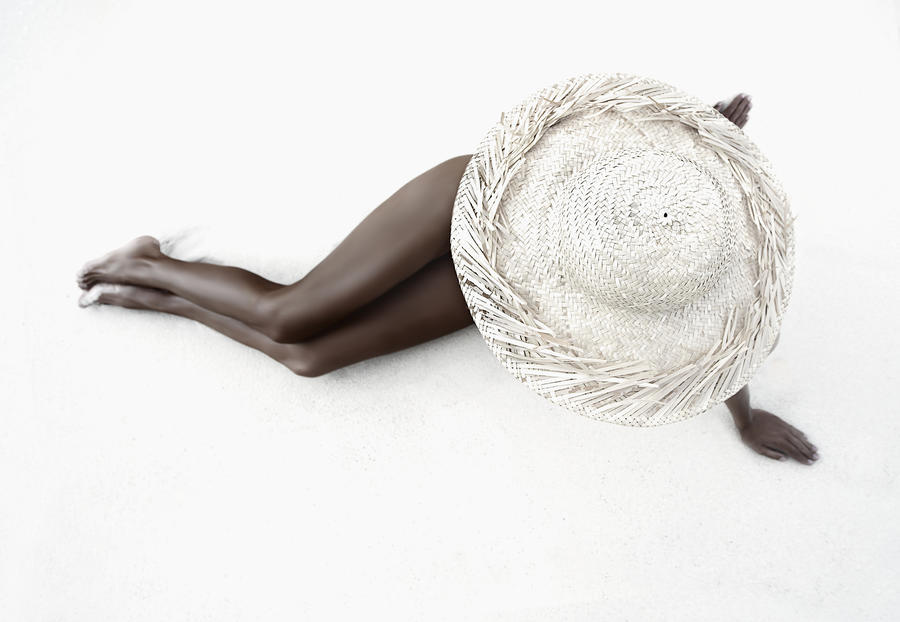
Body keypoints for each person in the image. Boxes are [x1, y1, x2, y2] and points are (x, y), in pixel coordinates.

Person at [77, 93, 818, 465]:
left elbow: (709, 340)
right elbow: (618, 122)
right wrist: (705, 125)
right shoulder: (647, 173)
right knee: (290, 313)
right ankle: (151, 263)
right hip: (466, 203)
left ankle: (164, 295)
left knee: (308, 360)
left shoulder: (694, 261)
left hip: (497, 286)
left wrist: (746, 419)